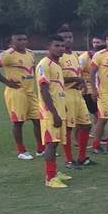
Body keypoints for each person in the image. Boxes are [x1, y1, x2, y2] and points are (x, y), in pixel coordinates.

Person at [0, 31, 43, 159]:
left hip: (30, 92)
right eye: (19, 40)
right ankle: (21, 151)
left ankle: (41, 149)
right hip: (16, 93)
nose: (22, 42)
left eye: (24, 39)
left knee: (38, 120)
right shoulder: (7, 55)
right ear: (12, 42)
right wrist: (6, 82)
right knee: (18, 122)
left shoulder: (30, 53)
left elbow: (33, 70)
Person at [35, 36, 73, 188]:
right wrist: (54, 113)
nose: (60, 48)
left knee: (56, 142)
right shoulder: (44, 64)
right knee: (51, 143)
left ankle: (54, 172)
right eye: (56, 45)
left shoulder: (57, 65)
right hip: (50, 113)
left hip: (58, 110)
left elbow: (57, 89)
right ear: (48, 47)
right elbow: (44, 90)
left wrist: (62, 107)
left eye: (62, 46)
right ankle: (50, 178)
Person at [57, 26, 95, 168]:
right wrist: (77, 80)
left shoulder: (74, 55)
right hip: (64, 96)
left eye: (70, 37)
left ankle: (82, 158)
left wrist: (80, 83)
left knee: (86, 125)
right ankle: (68, 160)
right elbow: (55, 79)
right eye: (64, 37)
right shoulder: (57, 58)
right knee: (68, 128)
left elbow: (77, 75)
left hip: (77, 95)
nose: (68, 40)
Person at [79, 36, 102, 119]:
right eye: (94, 42)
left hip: (101, 89)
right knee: (98, 115)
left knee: (100, 115)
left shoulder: (103, 56)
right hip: (89, 90)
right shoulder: (84, 57)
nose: (95, 44)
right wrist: (83, 86)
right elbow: (78, 73)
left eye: (98, 42)